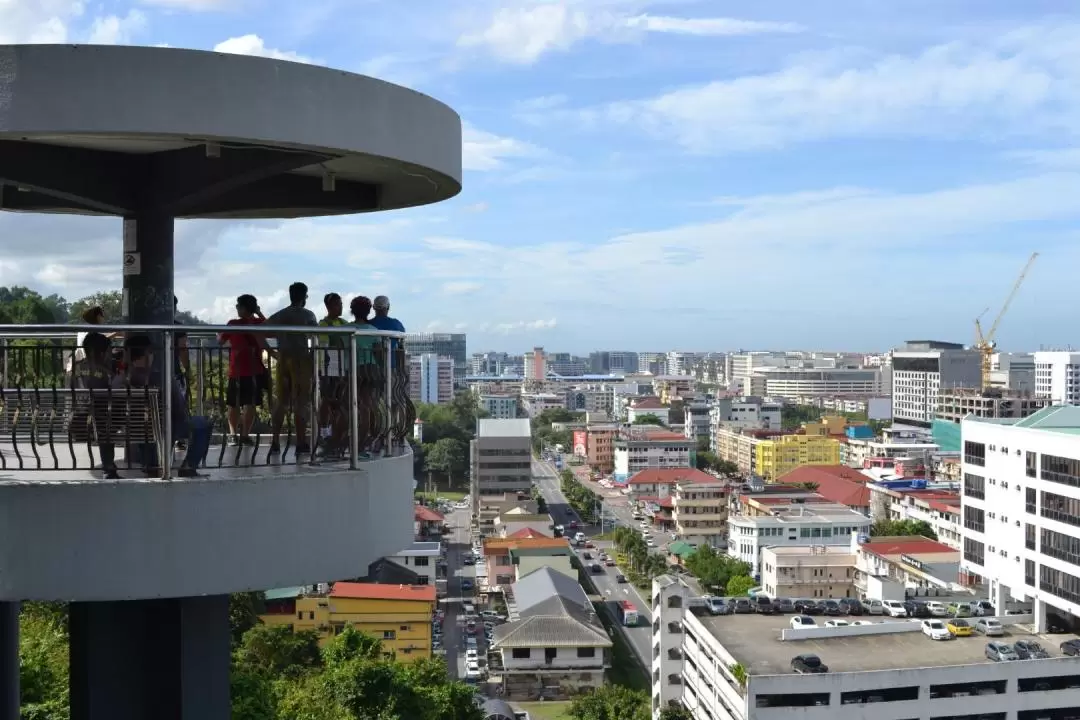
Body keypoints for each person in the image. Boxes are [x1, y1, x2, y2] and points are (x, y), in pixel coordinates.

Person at [268, 282, 318, 454]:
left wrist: (271, 352)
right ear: (304, 297)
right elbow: (316, 336)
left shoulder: (280, 315)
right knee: (301, 402)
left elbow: (261, 331)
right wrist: (313, 355)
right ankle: (301, 442)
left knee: (281, 402)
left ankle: (275, 441)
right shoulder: (307, 315)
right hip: (301, 360)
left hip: (283, 358)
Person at [218, 295, 269, 445]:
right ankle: (245, 434)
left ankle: (233, 434)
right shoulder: (259, 323)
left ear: (243, 308)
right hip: (255, 370)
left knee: (233, 404)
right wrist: (259, 313)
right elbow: (271, 328)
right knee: (250, 404)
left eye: (238, 306)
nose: (236, 308)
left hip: (237, 370)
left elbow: (220, 341)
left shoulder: (233, 324)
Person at [69, 332, 120, 479]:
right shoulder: (106, 372)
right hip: (98, 421)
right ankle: (108, 466)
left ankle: (109, 464)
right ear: (102, 352)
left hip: (77, 418)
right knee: (111, 420)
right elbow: (114, 394)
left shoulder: (75, 368)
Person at [350, 296, 382, 455]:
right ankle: (363, 443)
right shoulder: (373, 331)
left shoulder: (345, 330)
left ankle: (342, 441)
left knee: (347, 407)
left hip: (351, 371)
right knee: (367, 407)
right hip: (370, 370)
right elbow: (378, 353)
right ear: (369, 311)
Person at [317, 293, 348, 453]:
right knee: (327, 400)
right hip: (328, 368)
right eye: (337, 304)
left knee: (340, 403)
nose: (341, 307)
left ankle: (337, 435)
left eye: (341, 303)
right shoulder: (324, 324)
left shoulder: (343, 322)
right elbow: (327, 343)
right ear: (329, 306)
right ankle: (324, 432)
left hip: (342, 369)